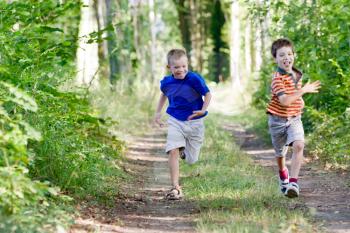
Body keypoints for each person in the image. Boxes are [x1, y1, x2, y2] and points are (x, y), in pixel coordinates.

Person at [154, 48, 212, 200]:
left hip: (195, 121)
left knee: (192, 159)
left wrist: (203, 110)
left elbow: (207, 94)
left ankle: (183, 150)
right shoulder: (167, 82)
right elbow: (163, 95)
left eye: (183, 66)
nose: (181, 70)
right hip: (175, 120)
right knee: (172, 149)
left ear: (187, 64)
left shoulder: (194, 79)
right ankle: (175, 186)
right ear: (169, 67)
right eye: (176, 67)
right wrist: (158, 113)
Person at [266, 38, 321, 198]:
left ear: (293, 56)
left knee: (299, 145)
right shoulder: (277, 79)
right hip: (277, 121)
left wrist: (301, 101)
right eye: (281, 55)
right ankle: (283, 175)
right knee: (280, 154)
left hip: (295, 119)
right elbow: (284, 101)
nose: (286, 58)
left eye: (289, 54)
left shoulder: (297, 75)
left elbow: (295, 95)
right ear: (275, 58)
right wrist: (303, 91)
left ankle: (293, 182)